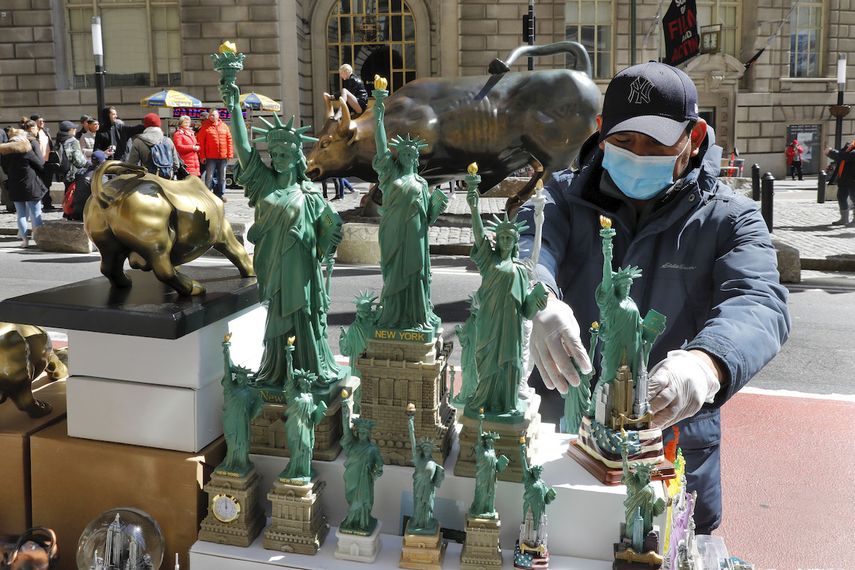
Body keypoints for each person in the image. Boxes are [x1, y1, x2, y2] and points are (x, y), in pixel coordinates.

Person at [522, 62, 791, 535]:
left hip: (673, 442)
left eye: (657, 143)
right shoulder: (562, 197)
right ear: (602, 134)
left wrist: (707, 365)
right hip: (562, 440)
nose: (639, 154)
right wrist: (536, 297)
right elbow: (529, 244)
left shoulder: (733, 218)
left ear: (694, 135)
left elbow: (758, 300)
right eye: (625, 142)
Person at [217, 69, 345, 388]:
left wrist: (322, 245)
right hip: (273, 268)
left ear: (296, 156)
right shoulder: (264, 185)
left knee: (302, 317)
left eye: (286, 153)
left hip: (301, 270)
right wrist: (234, 107)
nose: (279, 159)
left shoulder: (309, 194)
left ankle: (307, 370)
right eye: (275, 154)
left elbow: (330, 228)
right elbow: (245, 151)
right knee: (277, 318)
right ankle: (278, 370)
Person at [0, 128, 48, 247]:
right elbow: (40, 164)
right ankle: (38, 240)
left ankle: (24, 241)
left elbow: (5, 169)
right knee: (36, 213)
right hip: (30, 185)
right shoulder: (26, 151)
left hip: (14, 185)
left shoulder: (6, 153)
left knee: (21, 214)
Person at [127, 113, 180, 178]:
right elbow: (176, 164)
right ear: (159, 125)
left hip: (148, 181)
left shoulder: (138, 141)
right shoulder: (168, 141)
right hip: (167, 180)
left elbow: (132, 165)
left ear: (145, 125)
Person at [196, 109, 233, 200]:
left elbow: (229, 140)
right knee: (209, 176)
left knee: (222, 177)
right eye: (210, 115)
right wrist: (202, 156)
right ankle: (208, 194)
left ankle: (220, 194)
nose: (212, 117)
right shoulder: (205, 127)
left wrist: (230, 154)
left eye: (213, 115)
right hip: (210, 157)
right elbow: (201, 142)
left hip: (223, 156)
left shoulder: (224, 126)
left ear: (218, 116)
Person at [826, 140, 855, 226]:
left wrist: (831, 152)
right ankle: (844, 219)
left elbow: (845, 156)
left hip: (853, 179)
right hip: (843, 178)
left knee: (854, 199)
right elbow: (840, 156)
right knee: (841, 197)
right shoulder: (849, 145)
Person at [30, 114, 54, 210]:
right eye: (40, 121)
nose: (42, 123)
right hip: (37, 162)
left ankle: (47, 204)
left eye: (43, 121)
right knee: (38, 183)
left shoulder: (46, 131)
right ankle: (38, 204)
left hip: (48, 161)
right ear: (34, 123)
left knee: (47, 183)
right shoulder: (33, 135)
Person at [55, 121, 87, 188]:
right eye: (74, 128)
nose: (76, 129)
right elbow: (79, 162)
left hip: (62, 174)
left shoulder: (58, 140)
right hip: (73, 175)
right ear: (70, 130)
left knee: (67, 194)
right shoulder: (73, 141)